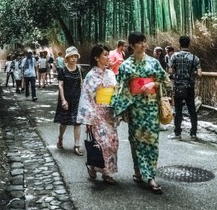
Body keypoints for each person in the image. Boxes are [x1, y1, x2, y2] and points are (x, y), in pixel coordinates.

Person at [111, 32, 169, 194]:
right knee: (136, 141)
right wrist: (122, 109)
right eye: (139, 42)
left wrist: (153, 85)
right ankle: (137, 169)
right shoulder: (125, 66)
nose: (143, 45)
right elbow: (121, 89)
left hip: (150, 108)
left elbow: (166, 81)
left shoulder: (154, 62)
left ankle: (150, 176)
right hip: (135, 109)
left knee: (152, 142)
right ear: (132, 45)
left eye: (144, 42)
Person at [77, 44, 119, 184]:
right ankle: (98, 169)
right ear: (96, 57)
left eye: (108, 54)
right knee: (102, 143)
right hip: (97, 114)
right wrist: (88, 120)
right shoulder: (91, 76)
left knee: (113, 142)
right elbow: (86, 97)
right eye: (105, 55)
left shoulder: (110, 73)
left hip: (109, 114)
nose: (108, 57)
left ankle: (105, 171)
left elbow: (116, 93)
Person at [168, 35, 202, 140]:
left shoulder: (174, 56)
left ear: (180, 44)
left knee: (178, 110)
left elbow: (170, 71)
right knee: (192, 110)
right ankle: (193, 134)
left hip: (178, 86)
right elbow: (200, 73)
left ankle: (177, 133)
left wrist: (176, 73)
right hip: (189, 86)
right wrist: (192, 72)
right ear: (189, 44)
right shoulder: (194, 58)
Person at [54, 46, 83, 155]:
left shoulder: (80, 69)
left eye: (75, 56)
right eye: (71, 56)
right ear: (67, 58)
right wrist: (63, 100)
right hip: (66, 98)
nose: (74, 58)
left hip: (77, 99)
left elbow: (82, 84)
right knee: (64, 122)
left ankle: (76, 145)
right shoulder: (62, 70)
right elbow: (60, 86)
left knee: (77, 122)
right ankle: (60, 138)